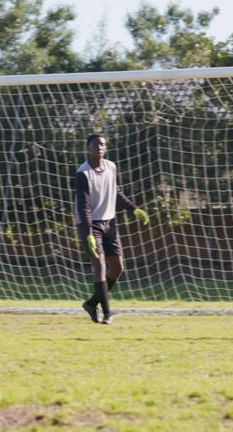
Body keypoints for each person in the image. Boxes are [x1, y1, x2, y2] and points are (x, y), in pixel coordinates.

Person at [73, 134, 149, 325]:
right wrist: (89, 232)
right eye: (96, 144)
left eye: (103, 144)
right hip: (89, 225)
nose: (100, 147)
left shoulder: (111, 167)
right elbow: (84, 206)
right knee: (100, 267)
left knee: (117, 267)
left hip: (109, 223)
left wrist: (134, 209)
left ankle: (91, 303)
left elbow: (116, 192)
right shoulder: (83, 173)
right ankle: (107, 313)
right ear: (88, 148)